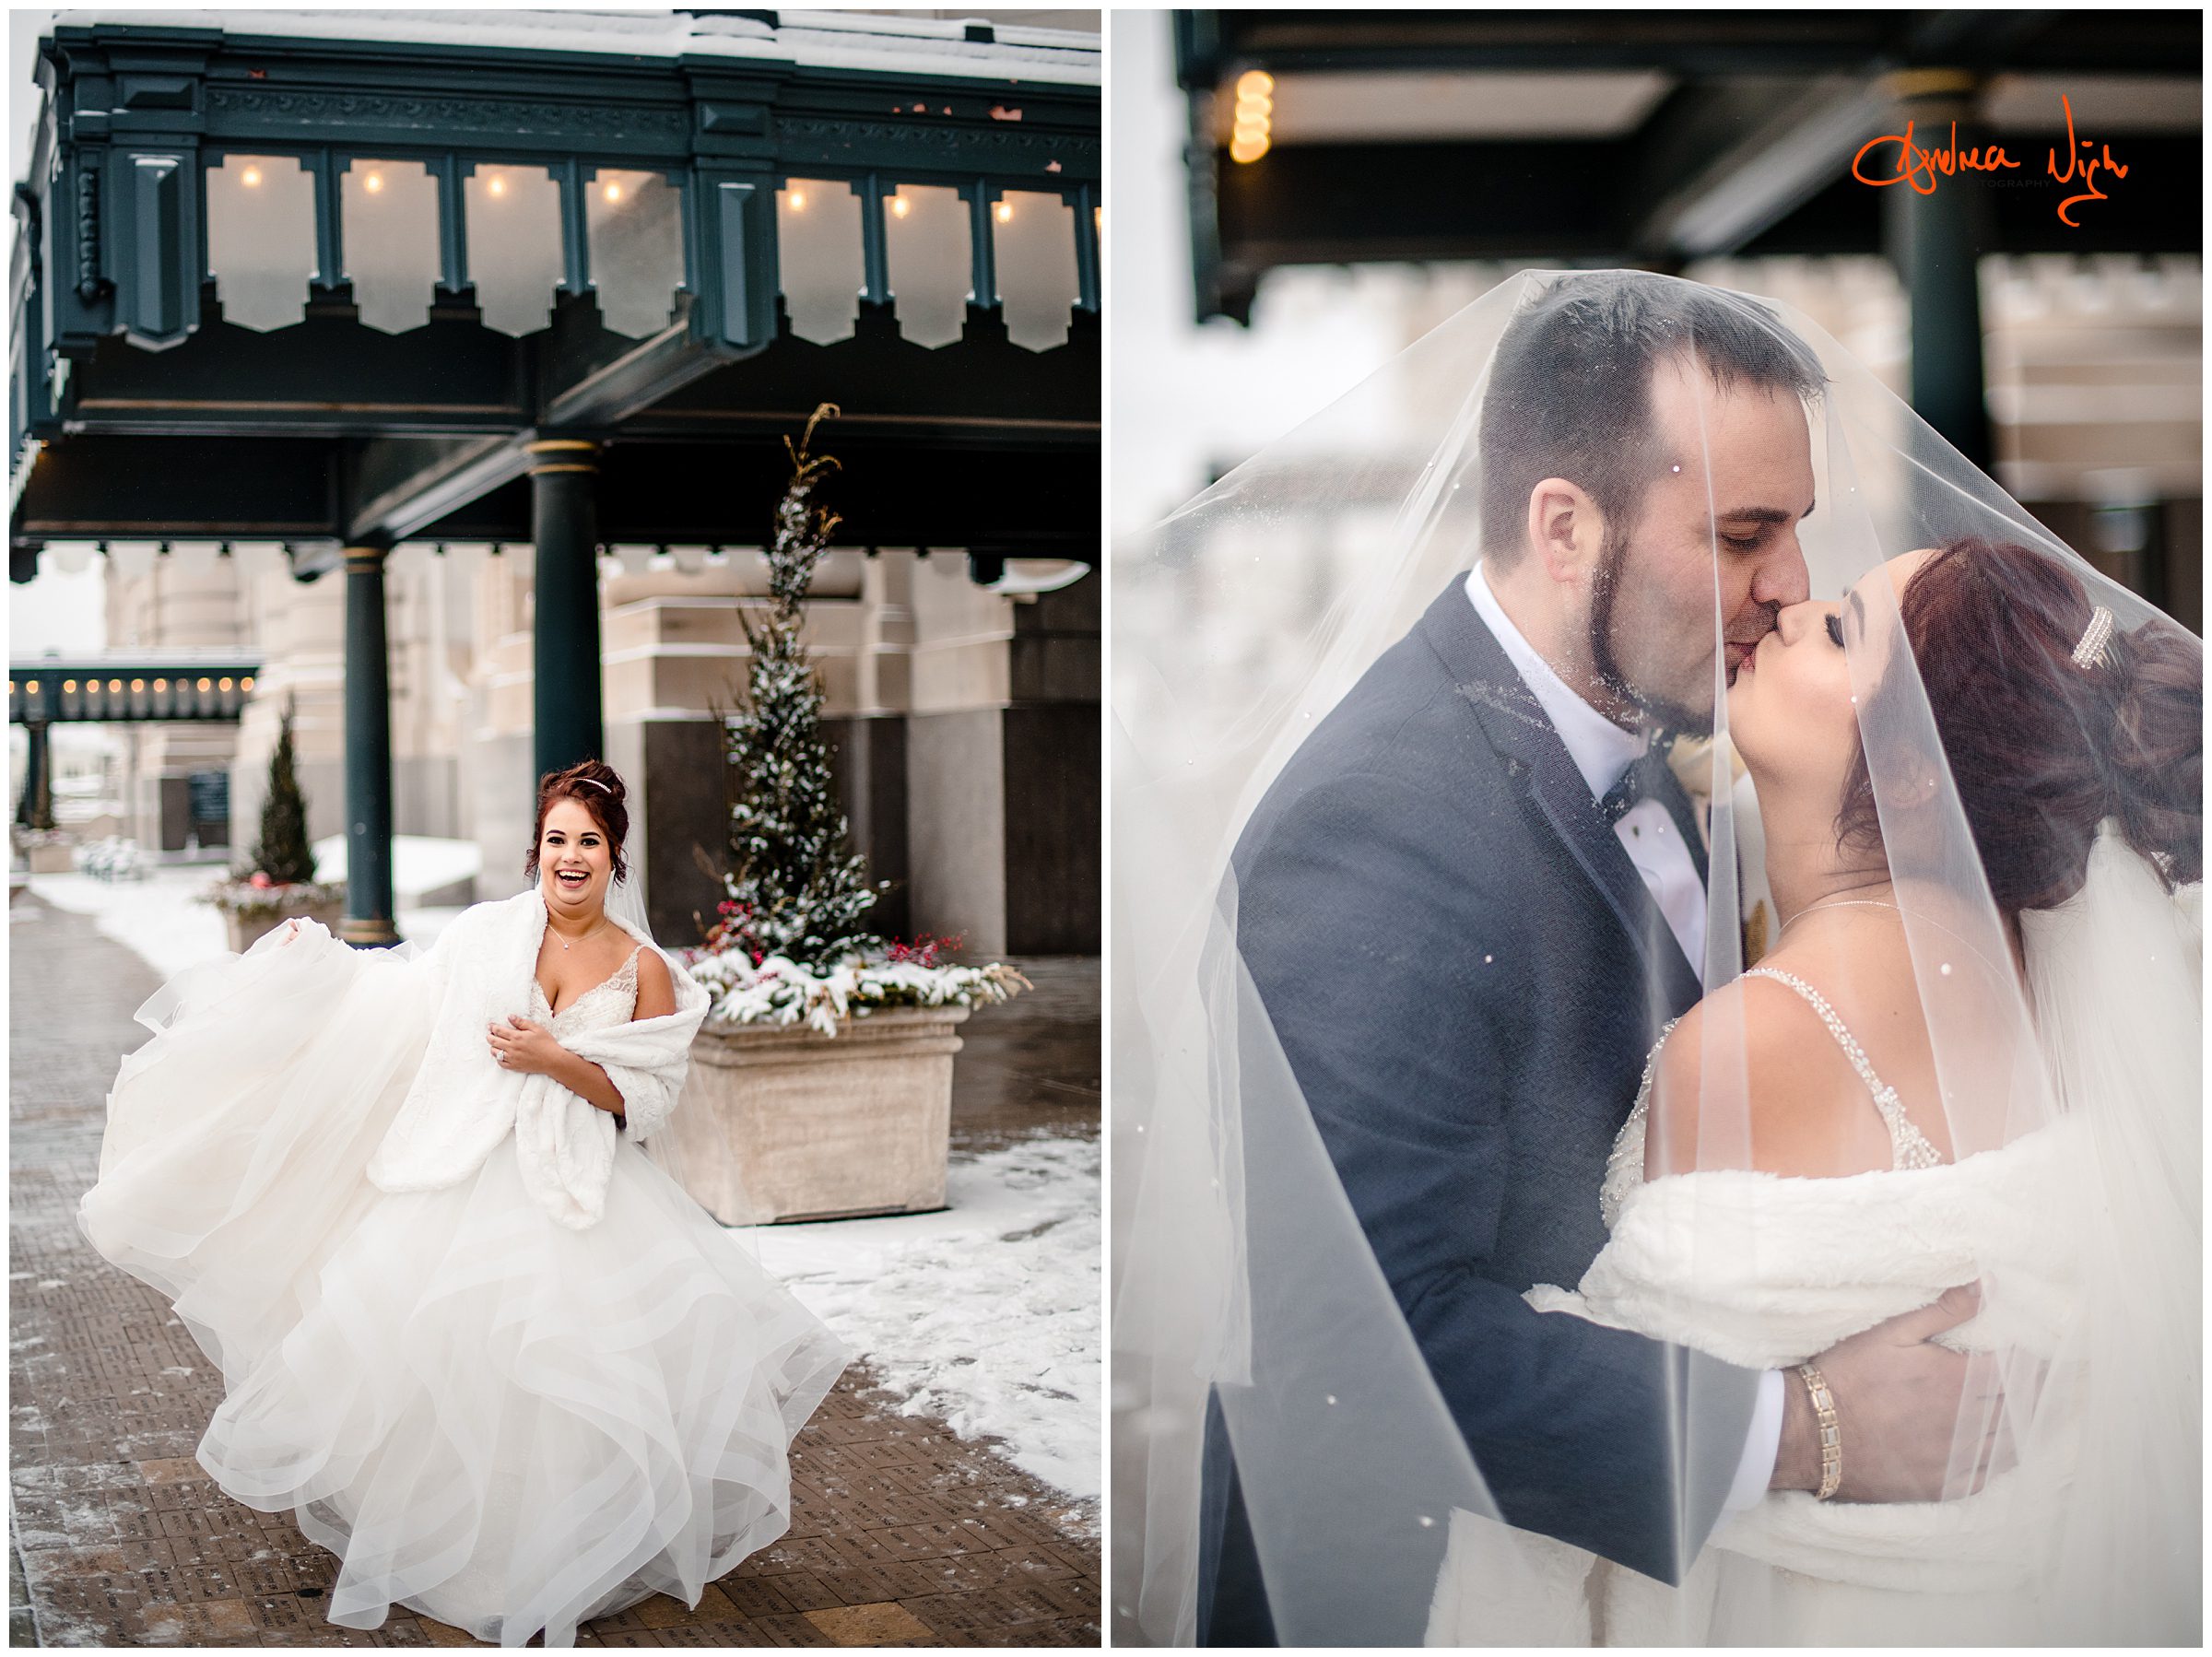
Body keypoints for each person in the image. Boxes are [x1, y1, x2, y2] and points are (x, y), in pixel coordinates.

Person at [1112, 269, 2201, 1646]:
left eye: (1798, 527)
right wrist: (1805, 1428)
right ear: (1565, 528)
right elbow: (1353, 1340)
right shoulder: (1377, 830)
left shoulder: (1691, 754)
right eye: (1743, 532)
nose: (1793, 583)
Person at [1430, 536, 2202, 1643]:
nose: (1791, 609)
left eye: (1843, 629)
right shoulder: (2039, 971)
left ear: (1918, 764)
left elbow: (1618, 1417)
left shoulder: (1761, 1042)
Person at [79, 760, 849, 1647]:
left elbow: (651, 1104)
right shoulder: (489, 935)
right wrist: (318, 963)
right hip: (460, 1176)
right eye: (556, 840)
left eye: (588, 843)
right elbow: (401, 995)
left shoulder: (645, 969)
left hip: (578, 1194)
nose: (570, 858)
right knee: (449, 1374)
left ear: (615, 857)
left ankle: (562, 1555)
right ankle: (473, 1559)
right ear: (536, 851)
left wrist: (556, 1059)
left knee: (563, 1384)